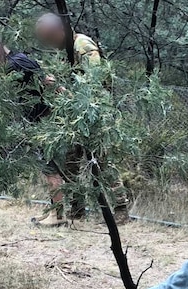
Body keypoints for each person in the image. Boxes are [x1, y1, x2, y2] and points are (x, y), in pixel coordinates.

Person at [34, 12, 130, 223]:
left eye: (48, 36)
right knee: (71, 164)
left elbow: (96, 83)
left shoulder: (83, 45)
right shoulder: (63, 51)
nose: (47, 42)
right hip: (75, 117)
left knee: (103, 164)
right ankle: (77, 211)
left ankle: (121, 211)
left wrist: (62, 90)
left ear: (59, 31)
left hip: (95, 115)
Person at [0, 34, 73, 227]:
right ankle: (55, 212)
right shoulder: (15, 62)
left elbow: (50, 82)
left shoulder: (17, 63)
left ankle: (58, 216)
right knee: (49, 171)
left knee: (51, 171)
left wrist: (66, 106)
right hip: (38, 124)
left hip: (44, 125)